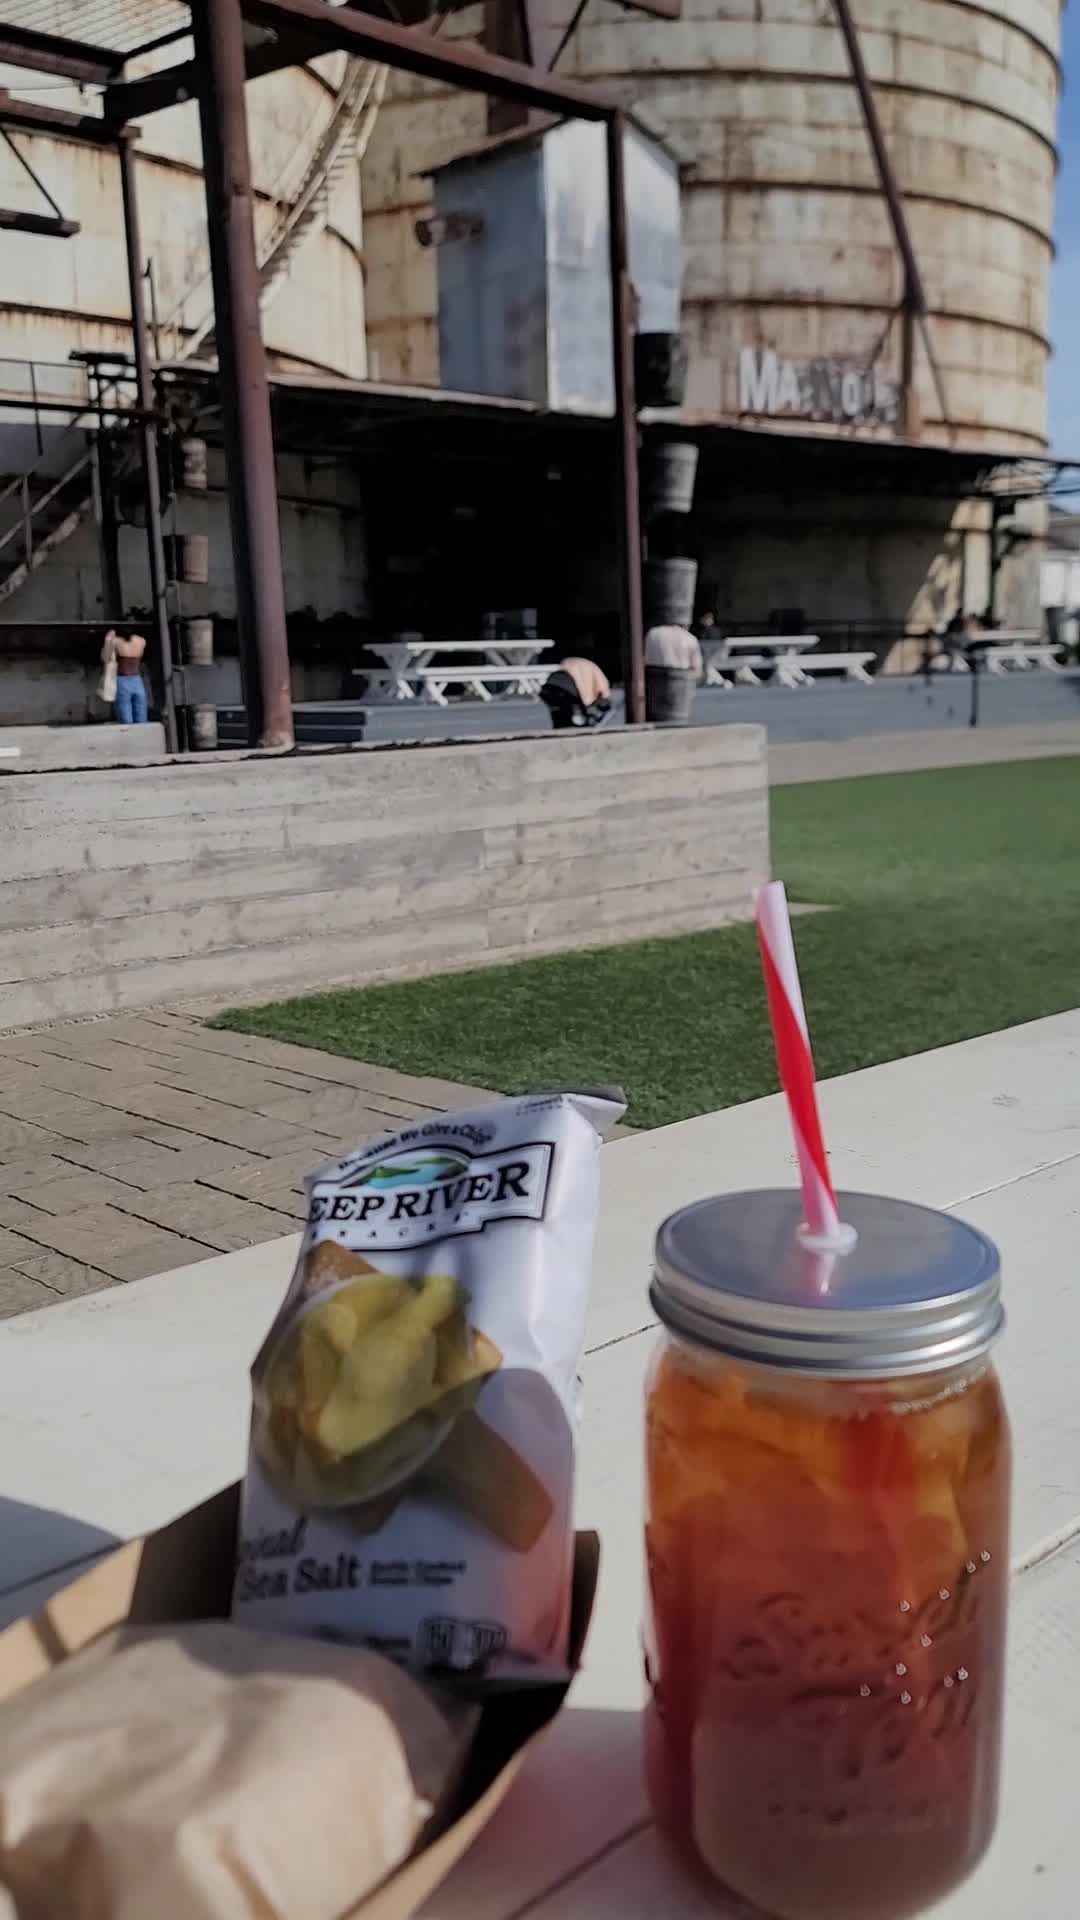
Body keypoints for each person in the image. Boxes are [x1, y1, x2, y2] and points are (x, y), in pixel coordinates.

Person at [539, 655, 611, 730]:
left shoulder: (586, 670)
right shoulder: (600, 685)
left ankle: (560, 727)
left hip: (550, 685)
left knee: (559, 713)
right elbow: (588, 698)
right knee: (570, 710)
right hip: (566, 688)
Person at [103, 628, 149, 724]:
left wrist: (108, 641)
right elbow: (106, 658)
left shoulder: (118, 641)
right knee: (128, 717)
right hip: (128, 680)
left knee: (137, 715)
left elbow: (106, 658)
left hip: (131, 679)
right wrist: (108, 641)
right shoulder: (139, 641)